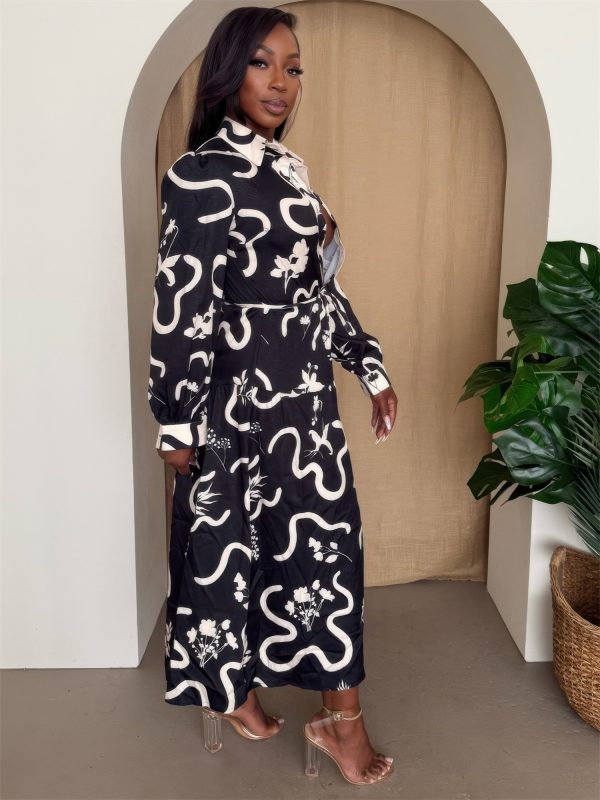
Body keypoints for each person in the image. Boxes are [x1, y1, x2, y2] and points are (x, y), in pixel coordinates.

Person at [147, 5, 397, 787]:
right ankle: (235, 692)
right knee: (227, 556)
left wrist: (368, 366)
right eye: (263, 62)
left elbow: (316, 289)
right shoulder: (198, 176)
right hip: (232, 407)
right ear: (229, 71)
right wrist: (176, 419)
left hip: (305, 406)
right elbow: (181, 304)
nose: (281, 81)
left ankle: (336, 716)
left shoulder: (286, 170)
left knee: (324, 549)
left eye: (293, 67)